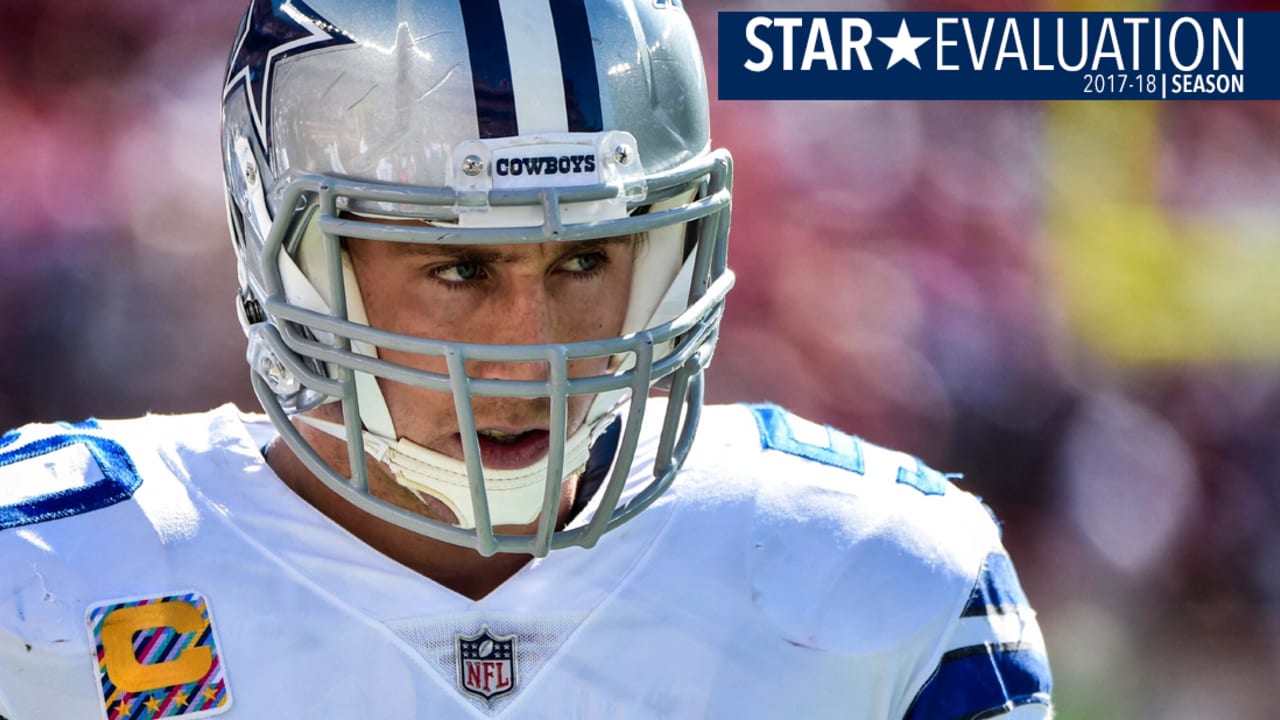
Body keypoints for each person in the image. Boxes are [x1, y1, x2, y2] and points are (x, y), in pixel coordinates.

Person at [0, 0, 1052, 717]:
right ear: (296, 258)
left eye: (585, 258)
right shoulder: (38, 579)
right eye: (457, 269)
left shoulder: (870, 571)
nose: (528, 350)